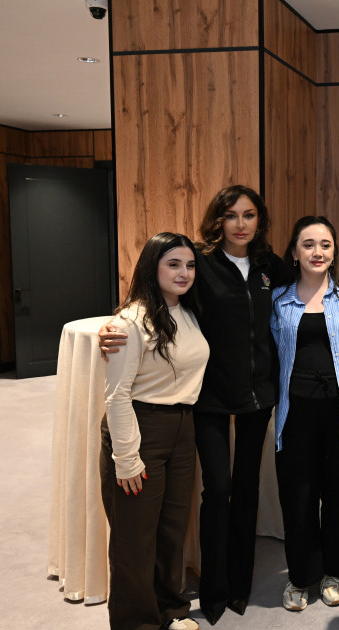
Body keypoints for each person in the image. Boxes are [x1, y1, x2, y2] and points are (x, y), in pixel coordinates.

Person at [99, 186, 339, 625]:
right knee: (217, 491)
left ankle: (240, 588)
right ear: (218, 220)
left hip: (258, 398)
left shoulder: (270, 266)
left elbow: (311, 287)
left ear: (260, 221)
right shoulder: (199, 263)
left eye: (249, 215)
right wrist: (114, 325)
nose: (240, 224)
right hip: (208, 397)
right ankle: (215, 589)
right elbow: (160, 296)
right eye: (231, 215)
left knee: (246, 491)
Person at [100, 232, 209, 630]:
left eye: (190, 265)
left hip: (182, 428)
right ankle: (136, 623)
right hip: (141, 427)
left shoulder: (188, 311)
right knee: (134, 537)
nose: (184, 273)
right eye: (173, 264)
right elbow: (116, 395)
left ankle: (171, 610)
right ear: (152, 266)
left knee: (171, 529)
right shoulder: (130, 322)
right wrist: (126, 458)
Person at [270, 216, 339, 611]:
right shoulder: (277, 300)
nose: (318, 252)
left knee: (336, 498)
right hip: (295, 414)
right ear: (294, 252)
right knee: (298, 498)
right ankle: (300, 576)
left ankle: (334, 572)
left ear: (334, 251)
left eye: (326, 245)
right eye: (308, 244)